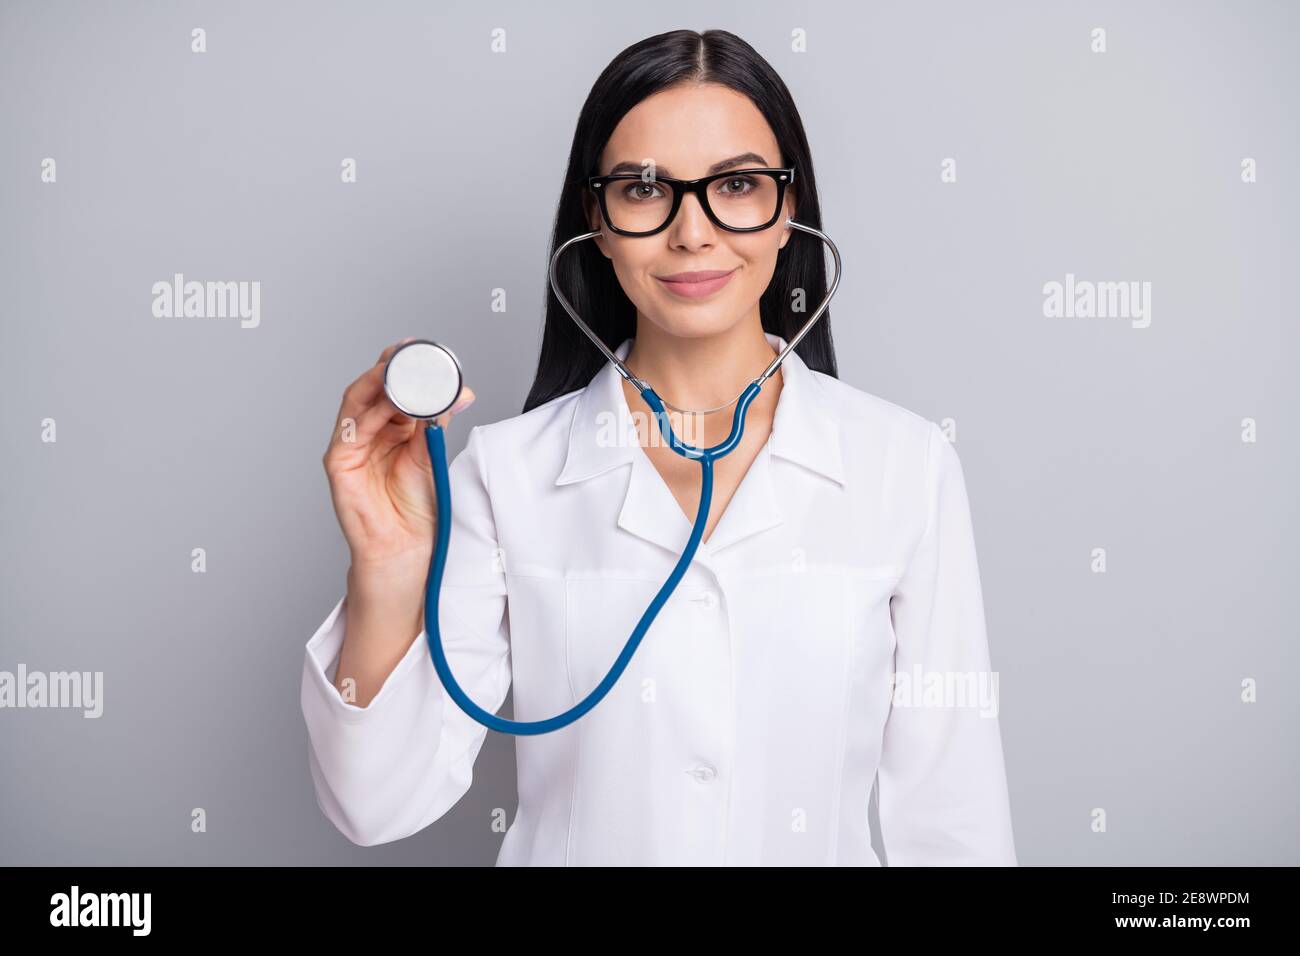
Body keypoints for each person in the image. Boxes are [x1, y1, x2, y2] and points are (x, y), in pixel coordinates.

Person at [300, 28, 1017, 866]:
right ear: (596, 221)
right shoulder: (505, 476)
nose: (692, 232)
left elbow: (952, 820)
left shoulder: (905, 466)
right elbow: (375, 803)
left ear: (788, 212)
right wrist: (385, 572)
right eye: (644, 190)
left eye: (738, 185)